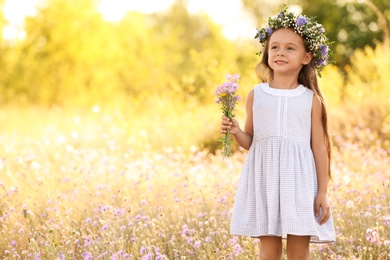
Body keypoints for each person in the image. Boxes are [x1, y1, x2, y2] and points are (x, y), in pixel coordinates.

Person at [220, 6, 336, 260]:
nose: (280, 52)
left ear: (306, 57)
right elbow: (251, 142)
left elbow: (319, 147)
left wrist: (323, 192)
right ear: (266, 53)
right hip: (265, 180)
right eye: (274, 47)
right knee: (268, 250)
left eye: (290, 48)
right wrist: (237, 130)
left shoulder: (311, 99)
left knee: (298, 250)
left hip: (301, 183)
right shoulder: (257, 95)